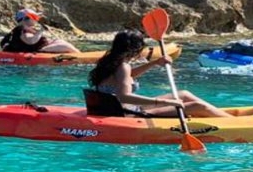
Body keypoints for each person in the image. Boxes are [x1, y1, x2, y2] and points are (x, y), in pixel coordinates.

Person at [83, 31, 229, 118]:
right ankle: (233, 122)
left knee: (183, 94)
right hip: (129, 113)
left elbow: (126, 78)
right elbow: (123, 96)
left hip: (120, 108)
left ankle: (220, 115)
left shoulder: (109, 61)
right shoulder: (122, 66)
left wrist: (154, 63)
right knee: (199, 106)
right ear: (135, 49)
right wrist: (167, 103)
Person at [0, 9, 79, 54]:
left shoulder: (19, 29)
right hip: (37, 51)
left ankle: (78, 53)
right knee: (66, 46)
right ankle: (81, 56)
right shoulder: (24, 30)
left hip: (37, 47)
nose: (36, 20)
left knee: (59, 41)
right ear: (26, 18)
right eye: (34, 17)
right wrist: (41, 31)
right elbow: (31, 41)